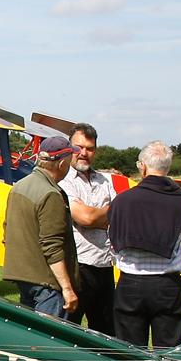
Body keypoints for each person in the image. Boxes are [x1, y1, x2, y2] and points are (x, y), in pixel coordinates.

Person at [108, 141, 181, 349]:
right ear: (167, 167)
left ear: (143, 166)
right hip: (167, 285)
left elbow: (111, 240)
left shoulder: (122, 200)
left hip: (130, 284)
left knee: (130, 353)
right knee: (168, 351)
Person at [2, 135, 80, 318]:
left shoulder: (18, 187)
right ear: (62, 165)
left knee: (31, 335)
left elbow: (7, 230)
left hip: (24, 279)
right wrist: (67, 288)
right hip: (47, 284)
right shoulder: (51, 194)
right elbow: (52, 246)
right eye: (68, 163)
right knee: (50, 340)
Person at [59, 122, 116, 332]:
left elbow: (118, 216)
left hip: (104, 264)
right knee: (68, 328)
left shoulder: (104, 180)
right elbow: (85, 218)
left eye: (89, 148)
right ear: (69, 148)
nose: (84, 153)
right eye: (78, 147)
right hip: (78, 266)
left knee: (107, 332)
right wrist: (103, 214)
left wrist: (97, 215)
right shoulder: (64, 181)